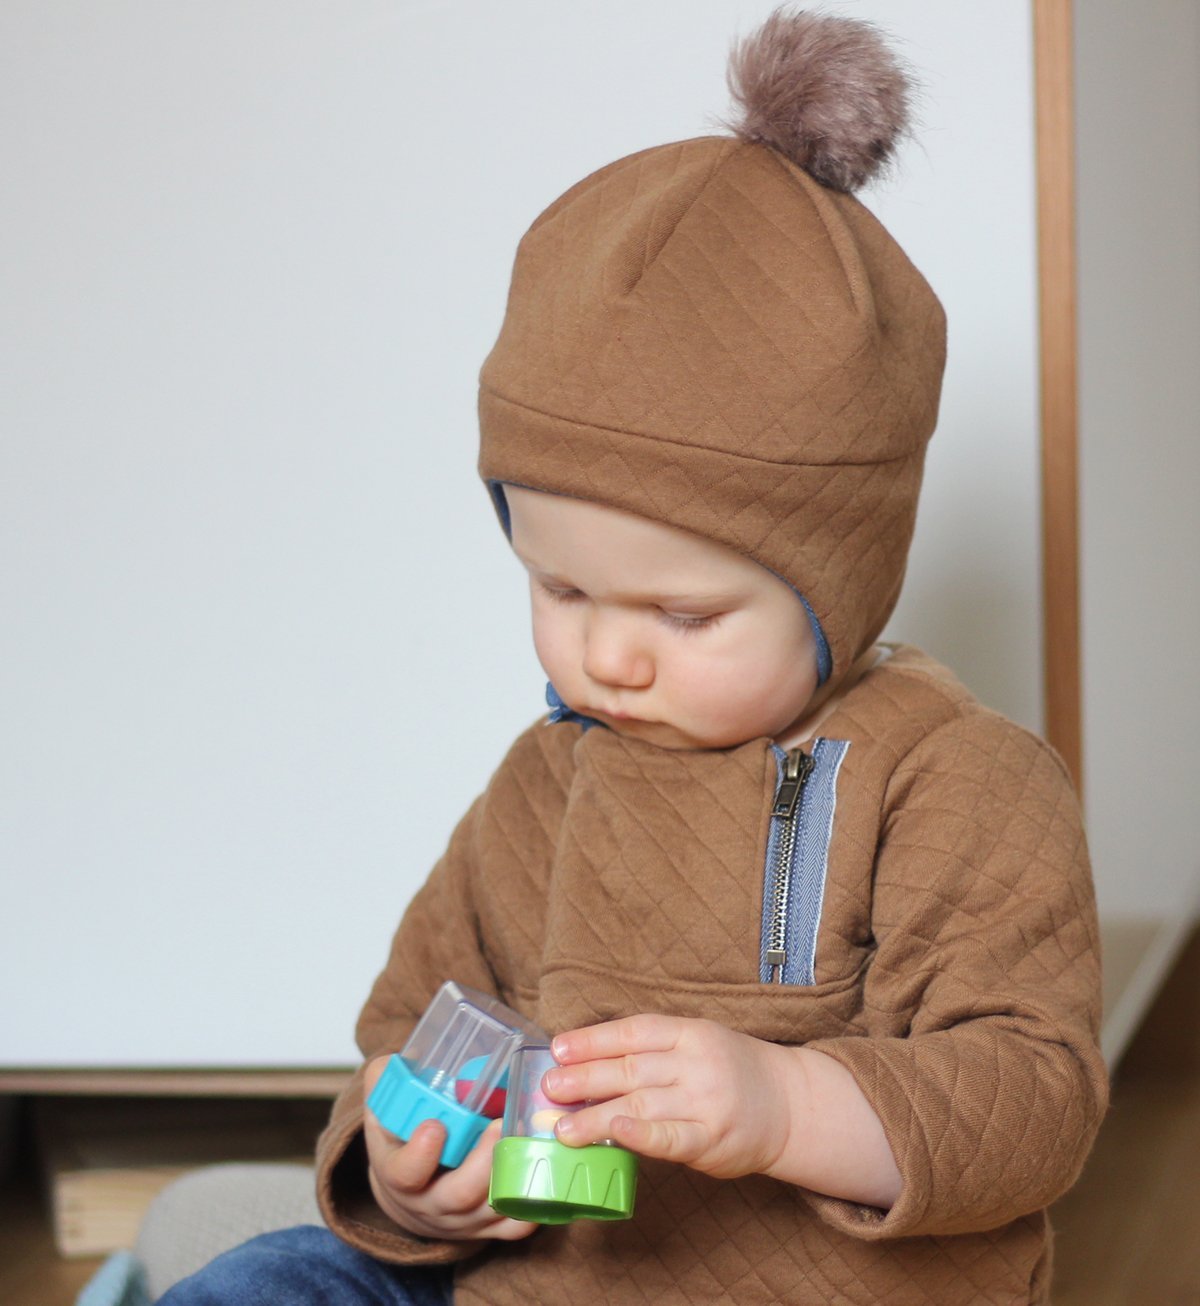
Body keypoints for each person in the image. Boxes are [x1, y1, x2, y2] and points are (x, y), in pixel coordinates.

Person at [162, 8, 1106, 1304]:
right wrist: (405, 1173)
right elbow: (411, 1029)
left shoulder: (955, 781)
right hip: (541, 1282)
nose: (607, 653)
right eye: (560, 587)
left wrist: (787, 1105)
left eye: (685, 615)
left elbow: (1033, 1092)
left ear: (834, 586)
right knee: (269, 1271)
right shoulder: (545, 784)